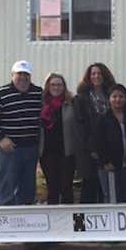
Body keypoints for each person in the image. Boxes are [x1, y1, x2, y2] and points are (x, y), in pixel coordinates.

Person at [0, 60, 42, 205]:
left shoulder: (38, 93)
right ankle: (5, 219)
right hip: (8, 149)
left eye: (26, 74)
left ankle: (25, 217)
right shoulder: (1, 93)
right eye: (19, 74)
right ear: (12, 75)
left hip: (30, 148)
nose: (23, 77)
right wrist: (1, 138)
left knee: (28, 187)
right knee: (6, 186)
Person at [73, 62, 117, 203]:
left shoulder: (112, 94)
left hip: (109, 147)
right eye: (93, 73)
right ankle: (84, 223)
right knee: (90, 186)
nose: (96, 76)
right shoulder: (81, 98)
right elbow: (80, 126)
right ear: (89, 77)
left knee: (108, 187)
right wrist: (91, 148)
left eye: (99, 73)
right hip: (89, 149)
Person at [95, 84, 126, 203]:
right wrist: (105, 162)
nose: (118, 99)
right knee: (111, 197)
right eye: (114, 96)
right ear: (109, 99)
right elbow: (97, 142)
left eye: (121, 96)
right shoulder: (102, 118)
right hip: (109, 166)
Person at [39, 72, 77, 204]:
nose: (56, 87)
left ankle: (70, 220)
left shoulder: (71, 103)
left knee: (66, 187)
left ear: (64, 86)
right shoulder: (41, 103)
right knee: (52, 187)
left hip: (66, 152)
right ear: (48, 86)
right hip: (47, 152)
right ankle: (54, 220)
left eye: (59, 84)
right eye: (53, 84)